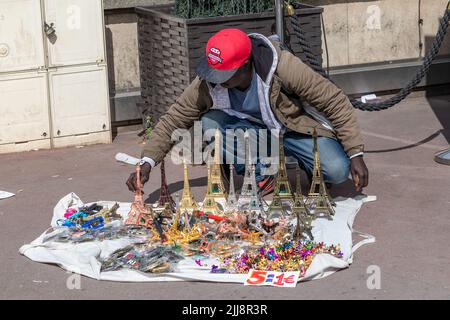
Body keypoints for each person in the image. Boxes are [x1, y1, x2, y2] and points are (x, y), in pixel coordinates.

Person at [127, 28, 368, 194]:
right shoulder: (208, 82)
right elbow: (175, 117)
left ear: (245, 65)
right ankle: (264, 174)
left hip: (294, 129)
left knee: (337, 171)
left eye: (224, 76)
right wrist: (147, 161)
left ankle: (298, 163)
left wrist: (355, 152)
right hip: (252, 133)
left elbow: (334, 100)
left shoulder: (282, 67)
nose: (217, 82)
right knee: (209, 124)